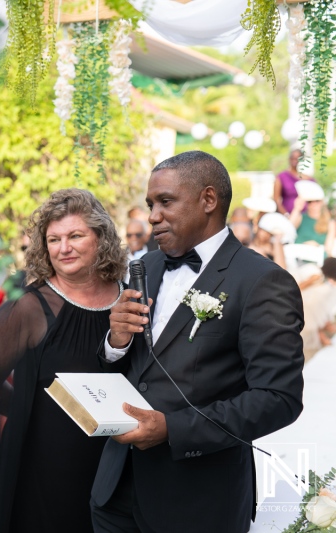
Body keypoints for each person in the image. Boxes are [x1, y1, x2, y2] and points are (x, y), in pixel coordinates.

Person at [93, 151, 305, 533]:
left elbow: (279, 398)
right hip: (115, 491)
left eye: (165, 202)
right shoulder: (146, 266)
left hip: (198, 501)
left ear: (208, 200)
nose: (152, 215)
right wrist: (116, 342)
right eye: (150, 205)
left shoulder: (261, 281)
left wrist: (173, 429)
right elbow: (135, 370)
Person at [0, 188, 127, 532]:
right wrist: (30, 408)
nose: (63, 248)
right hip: (47, 461)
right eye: (53, 239)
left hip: (121, 460)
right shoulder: (30, 308)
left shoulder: (126, 298)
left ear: (102, 238)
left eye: (75, 236)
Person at [300, 257, 336, 361]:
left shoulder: (322, 279)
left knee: (324, 295)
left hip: (309, 301)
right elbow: (299, 287)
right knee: (318, 298)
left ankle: (321, 329)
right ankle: (319, 331)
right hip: (303, 300)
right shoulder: (316, 274)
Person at [274, 148, 312, 215]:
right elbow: (276, 199)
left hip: (305, 215)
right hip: (287, 215)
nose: (295, 160)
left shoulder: (308, 179)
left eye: (297, 158)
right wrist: (285, 214)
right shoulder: (282, 176)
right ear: (289, 158)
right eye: (293, 158)